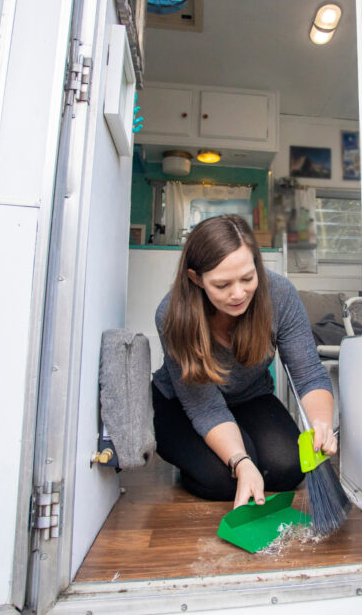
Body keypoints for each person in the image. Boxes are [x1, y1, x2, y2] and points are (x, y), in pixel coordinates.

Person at [151, 214, 337, 508]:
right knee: (226, 478)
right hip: (182, 404)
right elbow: (206, 408)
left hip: (249, 396)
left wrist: (321, 424)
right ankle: (194, 460)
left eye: (248, 278)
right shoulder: (172, 315)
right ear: (196, 279)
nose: (238, 294)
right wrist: (241, 460)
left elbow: (309, 375)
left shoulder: (280, 295)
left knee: (287, 468)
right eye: (222, 285)